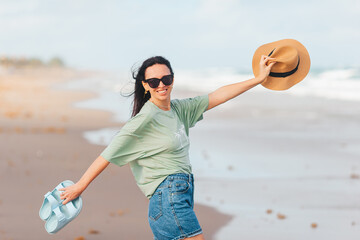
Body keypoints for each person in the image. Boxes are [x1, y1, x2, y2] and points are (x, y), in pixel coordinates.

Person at [59, 55, 276, 240]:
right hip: (169, 196)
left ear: (172, 79)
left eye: (166, 79)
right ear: (145, 86)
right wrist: (80, 187)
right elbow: (108, 153)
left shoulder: (179, 110)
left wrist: (258, 79)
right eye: (153, 81)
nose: (161, 84)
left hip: (177, 197)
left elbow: (217, 96)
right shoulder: (144, 119)